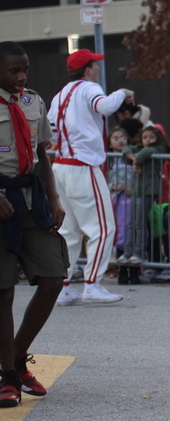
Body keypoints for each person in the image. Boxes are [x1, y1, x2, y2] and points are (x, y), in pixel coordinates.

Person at [0, 42, 67, 408]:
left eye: (24, 69)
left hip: (30, 200)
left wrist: (54, 199)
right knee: (3, 292)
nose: (22, 76)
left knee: (53, 277)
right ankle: (8, 378)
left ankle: (15, 357)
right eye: (14, 70)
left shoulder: (33, 101)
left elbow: (43, 153)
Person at [48, 48, 133, 306]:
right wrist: (123, 93)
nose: (97, 69)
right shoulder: (88, 88)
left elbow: (50, 134)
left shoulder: (59, 95)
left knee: (68, 231)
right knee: (104, 228)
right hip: (83, 167)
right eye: (95, 65)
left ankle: (63, 287)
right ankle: (91, 284)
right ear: (87, 69)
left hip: (60, 167)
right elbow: (105, 106)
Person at [118, 126, 170, 265]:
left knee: (140, 223)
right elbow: (126, 149)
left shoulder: (159, 148)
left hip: (148, 190)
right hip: (136, 190)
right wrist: (134, 159)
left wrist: (136, 160)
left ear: (157, 138)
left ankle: (139, 252)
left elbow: (146, 153)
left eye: (151, 137)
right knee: (132, 223)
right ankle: (128, 251)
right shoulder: (139, 149)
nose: (148, 140)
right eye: (145, 137)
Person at [106, 127, 135, 284]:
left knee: (132, 231)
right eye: (115, 138)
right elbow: (103, 179)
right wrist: (115, 187)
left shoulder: (131, 158)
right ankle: (121, 270)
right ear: (110, 144)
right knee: (120, 232)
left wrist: (133, 188)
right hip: (115, 201)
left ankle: (135, 271)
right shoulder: (107, 160)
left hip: (131, 200)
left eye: (123, 137)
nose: (120, 141)